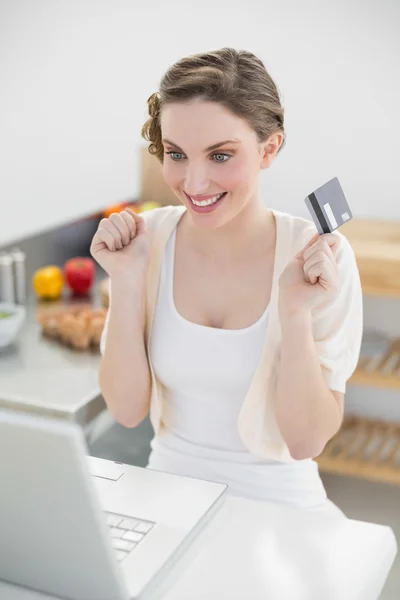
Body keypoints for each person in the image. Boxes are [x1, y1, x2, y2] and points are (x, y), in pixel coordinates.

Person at [90, 47, 363, 516]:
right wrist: (127, 283)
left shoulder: (318, 259)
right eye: (176, 154)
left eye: (220, 156)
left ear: (269, 148)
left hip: (281, 507)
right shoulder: (146, 241)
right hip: (168, 500)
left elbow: (305, 441)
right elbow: (127, 411)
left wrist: (294, 313)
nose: (194, 183)